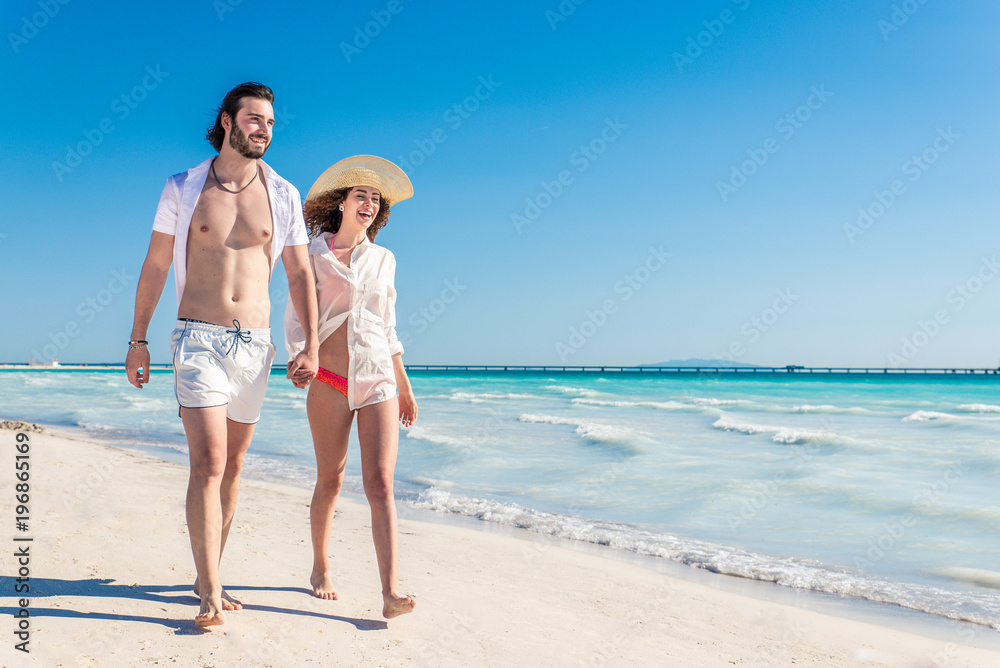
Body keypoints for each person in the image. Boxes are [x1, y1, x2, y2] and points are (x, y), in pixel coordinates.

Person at [124, 82, 319, 627]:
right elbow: (157, 265)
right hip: (197, 338)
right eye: (255, 119)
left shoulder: (283, 194)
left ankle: (209, 568)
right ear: (228, 122)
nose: (265, 129)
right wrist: (138, 339)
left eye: (272, 122)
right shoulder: (183, 187)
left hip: (254, 347)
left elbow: (301, 273)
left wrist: (311, 346)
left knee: (233, 467)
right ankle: (210, 589)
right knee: (208, 462)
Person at [284, 155, 417, 619]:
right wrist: (301, 352)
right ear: (342, 202)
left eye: (375, 198)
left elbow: (388, 325)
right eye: (361, 194)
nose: (368, 203)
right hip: (329, 379)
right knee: (332, 479)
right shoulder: (313, 255)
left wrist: (403, 383)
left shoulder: (385, 259)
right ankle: (320, 565)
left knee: (380, 483)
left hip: (378, 377)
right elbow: (297, 315)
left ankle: (390, 591)